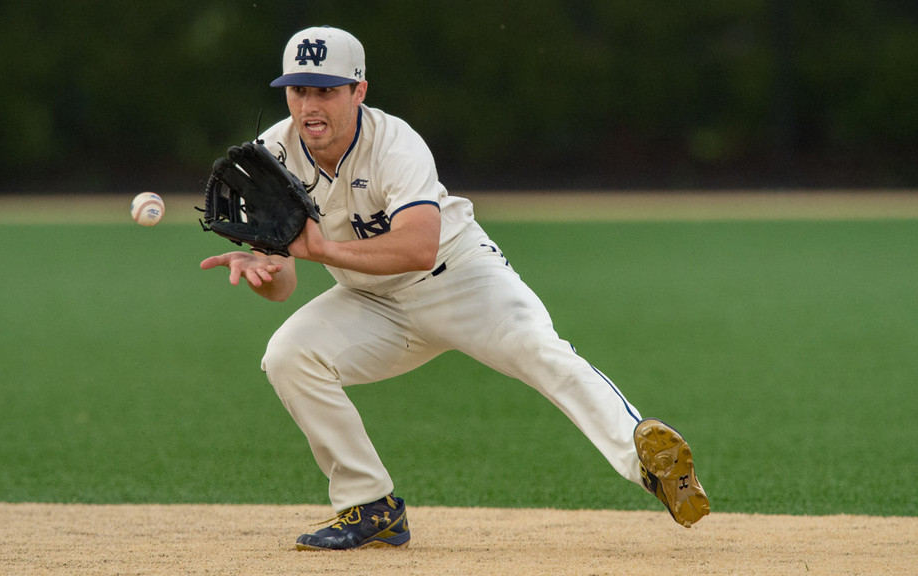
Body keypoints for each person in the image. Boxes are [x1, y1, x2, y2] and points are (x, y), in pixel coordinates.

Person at [200, 25, 710, 551]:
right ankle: (371, 505)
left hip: (461, 278)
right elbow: (283, 282)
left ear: (359, 91)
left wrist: (321, 251)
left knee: (538, 350)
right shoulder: (274, 154)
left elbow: (418, 246)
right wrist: (262, 269)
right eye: (298, 90)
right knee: (288, 354)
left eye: (326, 90)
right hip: (373, 302)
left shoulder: (395, 145)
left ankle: (646, 460)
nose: (309, 104)